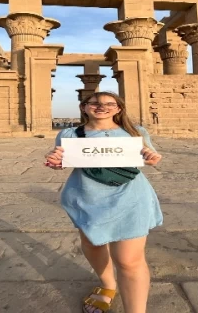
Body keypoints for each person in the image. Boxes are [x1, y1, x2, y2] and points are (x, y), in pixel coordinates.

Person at [44, 91, 163, 313]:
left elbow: (150, 158)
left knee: (129, 260)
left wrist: (151, 157)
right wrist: (56, 161)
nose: (102, 106)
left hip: (131, 197)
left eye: (110, 103)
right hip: (87, 197)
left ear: (119, 108)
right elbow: (65, 161)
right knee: (93, 244)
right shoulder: (69, 134)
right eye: (95, 103)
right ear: (84, 107)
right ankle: (108, 285)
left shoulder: (135, 132)